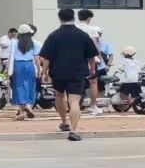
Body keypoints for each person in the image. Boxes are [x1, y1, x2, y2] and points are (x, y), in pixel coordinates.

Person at [40, 7, 101, 141]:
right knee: (74, 101)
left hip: (58, 71)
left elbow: (46, 57)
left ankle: (64, 122)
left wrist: (44, 72)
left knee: (59, 96)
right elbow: (91, 56)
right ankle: (74, 130)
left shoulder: (53, 35)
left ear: (60, 18)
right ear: (73, 17)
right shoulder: (82, 35)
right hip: (77, 72)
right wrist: (92, 70)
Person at [8, 24, 41, 121]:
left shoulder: (14, 42)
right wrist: (39, 70)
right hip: (29, 65)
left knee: (19, 87)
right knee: (30, 86)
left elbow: (11, 56)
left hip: (17, 65)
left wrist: (6, 69)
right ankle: (28, 106)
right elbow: (37, 59)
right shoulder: (34, 43)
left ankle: (21, 111)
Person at [78, 10, 104, 116]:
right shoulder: (92, 29)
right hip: (90, 59)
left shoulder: (74, 28)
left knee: (77, 82)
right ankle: (93, 106)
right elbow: (95, 46)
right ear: (89, 18)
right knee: (93, 82)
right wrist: (100, 58)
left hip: (76, 59)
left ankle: (75, 105)